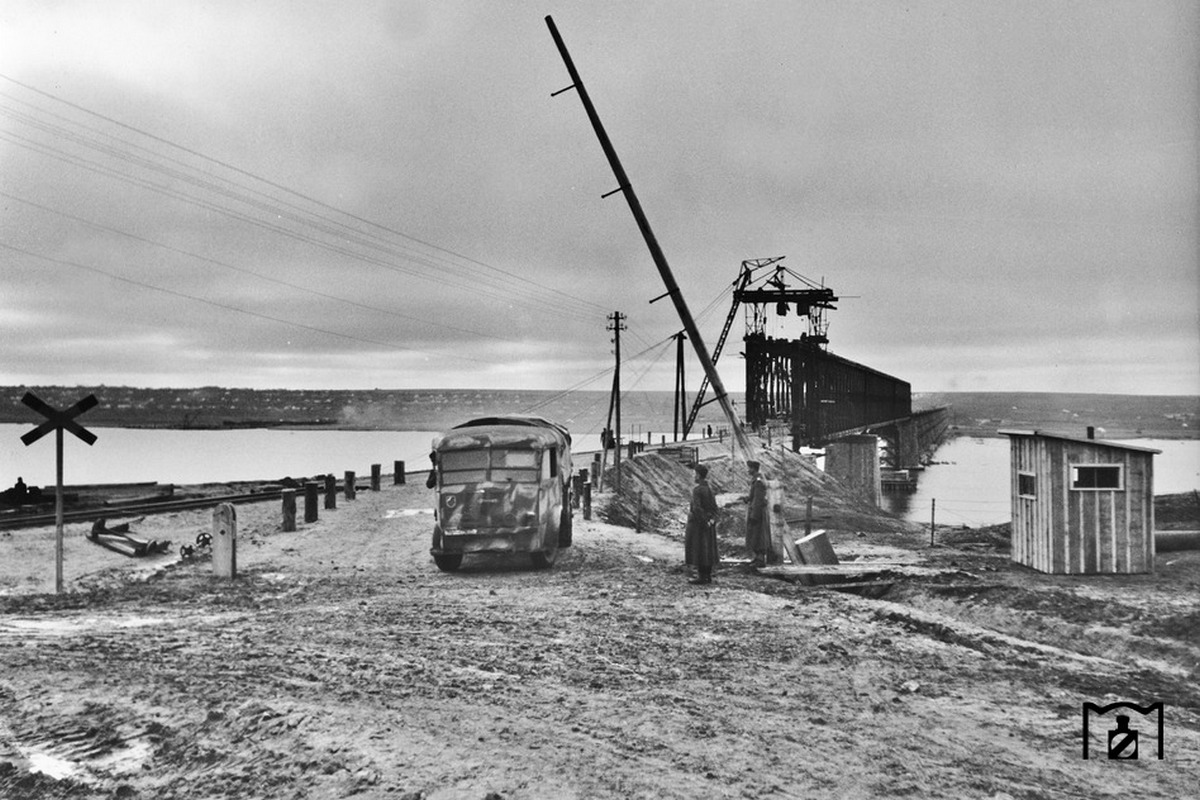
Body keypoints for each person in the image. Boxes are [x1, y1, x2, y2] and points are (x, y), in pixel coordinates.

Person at [684, 463, 719, 585]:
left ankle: (701, 576)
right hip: (708, 523)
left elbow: (697, 508)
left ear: (698, 475)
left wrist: (703, 521)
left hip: (698, 525)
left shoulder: (697, 490)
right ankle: (707, 576)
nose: (693, 476)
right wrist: (711, 520)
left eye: (694, 473)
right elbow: (715, 508)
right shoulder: (709, 489)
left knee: (698, 549)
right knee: (707, 550)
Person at [745, 459, 769, 568]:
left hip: (757, 512)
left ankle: (760, 559)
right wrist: (747, 498)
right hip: (755, 510)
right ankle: (757, 558)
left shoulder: (758, 481)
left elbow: (758, 499)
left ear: (753, 469)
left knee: (758, 535)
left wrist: (754, 514)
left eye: (749, 468)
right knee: (754, 535)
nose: (748, 470)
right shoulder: (756, 480)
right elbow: (754, 496)